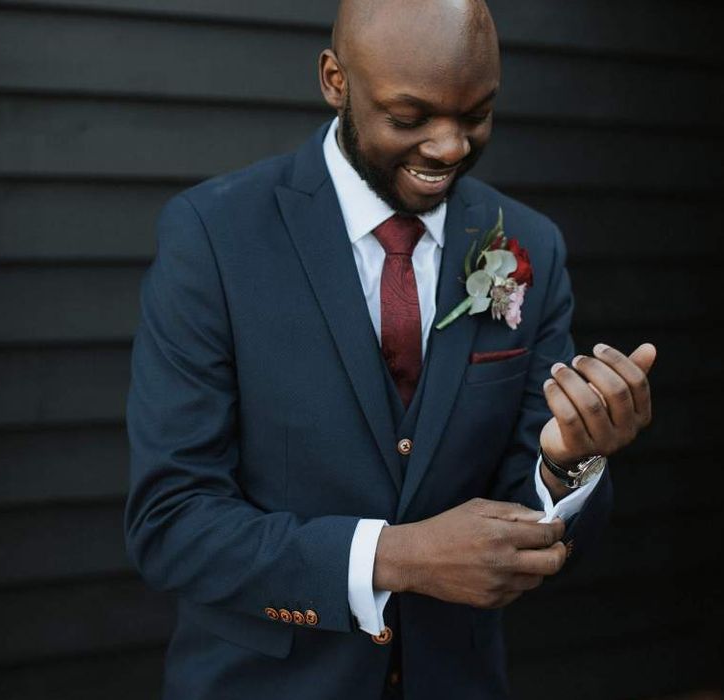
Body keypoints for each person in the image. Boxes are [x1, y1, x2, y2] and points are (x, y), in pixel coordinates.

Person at [124, 1, 655, 698]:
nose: (450, 147)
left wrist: (569, 461)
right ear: (335, 80)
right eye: (411, 118)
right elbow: (172, 522)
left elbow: (538, 524)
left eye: (476, 115)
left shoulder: (531, 246)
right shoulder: (213, 238)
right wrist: (394, 557)